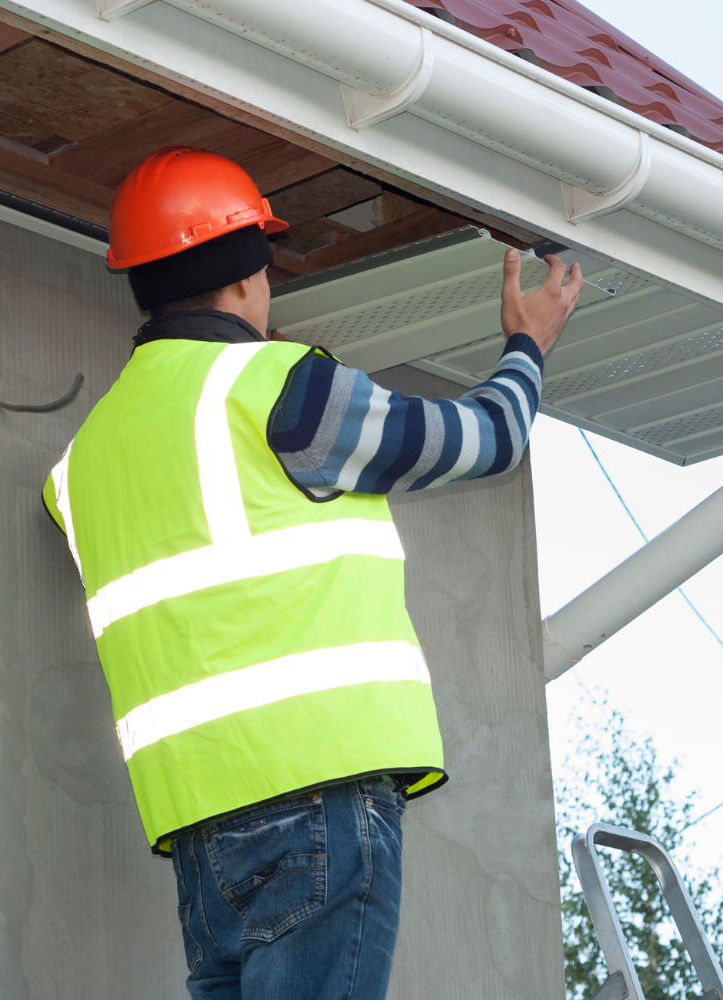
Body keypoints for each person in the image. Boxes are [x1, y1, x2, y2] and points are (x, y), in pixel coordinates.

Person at [42, 146, 581, 1000]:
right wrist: (528, 344)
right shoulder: (281, 390)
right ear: (250, 275)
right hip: (318, 798)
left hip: (197, 827)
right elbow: (487, 440)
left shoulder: (81, 464)